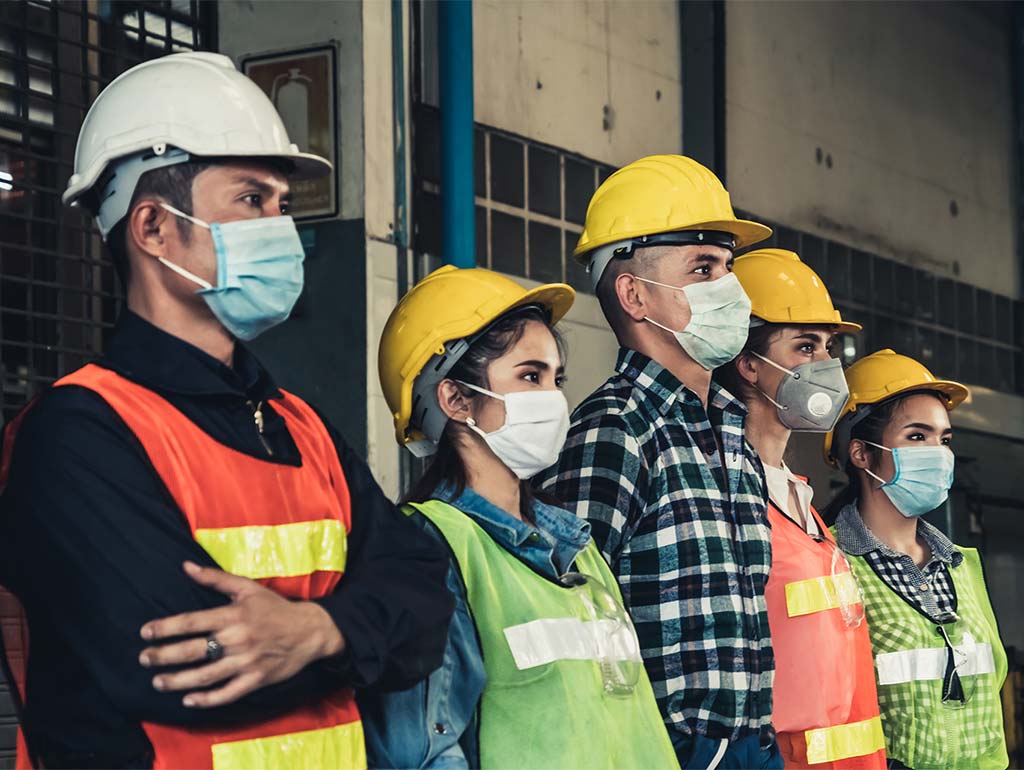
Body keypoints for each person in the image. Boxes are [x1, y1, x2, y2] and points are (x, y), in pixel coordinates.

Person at [0, 52, 452, 769]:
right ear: (152, 228)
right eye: (250, 200)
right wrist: (362, 636)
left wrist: (314, 631)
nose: (279, 226)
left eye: (282, 204)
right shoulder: (76, 433)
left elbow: (431, 608)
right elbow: (182, 670)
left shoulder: (300, 424)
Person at [363, 265, 679, 769]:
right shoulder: (431, 549)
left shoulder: (578, 548)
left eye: (556, 379)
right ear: (456, 399)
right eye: (530, 376)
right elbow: (423, 748)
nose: (553, 398)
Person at [537, 154, 782, 769]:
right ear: (634, 294)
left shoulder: (732, 431)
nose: (731, 290)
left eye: (728, 268)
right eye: (704, 267)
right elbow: (575, 621)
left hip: (753, 744)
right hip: (664, 751)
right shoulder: (612, 432)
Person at [714, 249, 885, 768]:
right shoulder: (723, 497)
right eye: (805, 346)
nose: (826, 365)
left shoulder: (800, 499)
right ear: (748, 364)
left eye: (829, 347)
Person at [824, 349, 1008, 770]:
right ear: (861, 454)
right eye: (917, 436)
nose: (938, 453)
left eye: (944, 439)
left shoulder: (961, 565)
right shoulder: (829, 564)